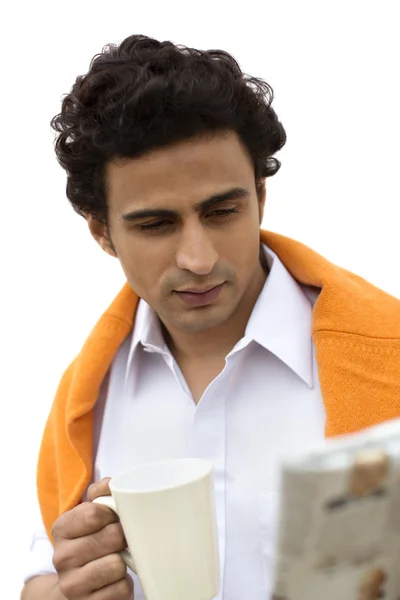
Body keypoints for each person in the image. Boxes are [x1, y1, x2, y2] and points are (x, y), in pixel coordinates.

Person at [20, 33, 400, 600]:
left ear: (260, 196)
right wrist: (62, 589)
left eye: (222, 211)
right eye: (156, 225)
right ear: (101, 231)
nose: (199, 258)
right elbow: (37, 574)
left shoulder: (388, 354)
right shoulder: (85, 397)